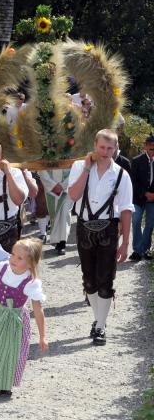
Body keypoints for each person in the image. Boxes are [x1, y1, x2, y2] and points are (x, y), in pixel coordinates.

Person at [68, 129, 134, 346]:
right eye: (102, 147)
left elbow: (125, 209)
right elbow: (73, 195)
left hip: (108, 230)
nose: (105, 152)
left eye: (110, 148)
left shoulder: (122, 175)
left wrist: (125, 244)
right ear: (95, 145)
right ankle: (99, 320)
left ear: (115, 149)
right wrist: (87, 168)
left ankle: (100, 326)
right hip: (84, 228)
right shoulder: (79, 167)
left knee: (105, 281)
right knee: (89, 281)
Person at [0, 238, 48, 396]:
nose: (13, 259)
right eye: (13, 254)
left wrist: (43, 336)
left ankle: (5, 384)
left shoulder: (31, 282)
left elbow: (38, 309)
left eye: (20, 258)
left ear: (30, 263)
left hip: (14, 319)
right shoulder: (3, 268)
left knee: (10, 351)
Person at [129, 133, 154, 261]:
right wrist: (145, 193)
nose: (152, 149)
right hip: (138, 198)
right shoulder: (136, 160)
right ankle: (137, 251)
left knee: (150, 223)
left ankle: (145, 249)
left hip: (153, 199)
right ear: (145, 147)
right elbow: (132, 181)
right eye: (150, 146)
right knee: (136, 220)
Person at [39, 169, 73, 254]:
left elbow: (75, 168)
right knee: (55, 214)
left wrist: (63, 185)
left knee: (65, 213)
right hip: (51, 188)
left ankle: (62, 243)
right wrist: (52, 185)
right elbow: (41, 168)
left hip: (67, 187)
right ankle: (57, 240)